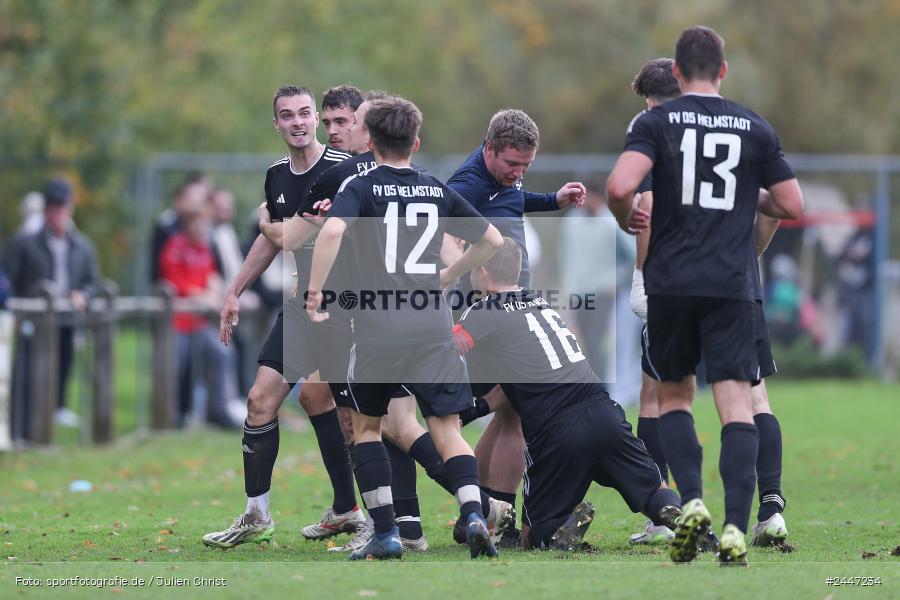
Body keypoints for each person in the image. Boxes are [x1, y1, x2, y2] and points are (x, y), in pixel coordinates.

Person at [258, 91, 514, 553]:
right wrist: (448, 276)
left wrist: (314, 290)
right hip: (431, 326)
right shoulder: (436, 187)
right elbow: (491, 239)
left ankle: (385, 533)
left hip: (378, 326)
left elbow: (331, 231)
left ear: (370, 140)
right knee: (446, 428)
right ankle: (474, 515)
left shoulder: (361, 185)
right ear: (417, 142)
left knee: (368, 427)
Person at [606, 26, 804, 565]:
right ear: (723, 71)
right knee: (738, 402)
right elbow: (790, 203)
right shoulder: (752, 126)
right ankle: (738, 526)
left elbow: (621, 187)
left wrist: (629, 220)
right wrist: (746, 190)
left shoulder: (655, 122)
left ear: (675, 72)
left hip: (671, 281)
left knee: (673, 397)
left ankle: (691, 502)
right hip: (732, 285)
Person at [202, 85, 359, 549]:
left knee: (347, 414)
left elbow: (285, 232)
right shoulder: (275, 176)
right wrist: (233, 290)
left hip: (343, 307)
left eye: (306, 113)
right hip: (301, 307)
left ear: (316, 118)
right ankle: (256, 514)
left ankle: (370, 516)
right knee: (259, 401)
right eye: (287, 115)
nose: (298, 122)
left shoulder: (344, 170)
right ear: (276, 124)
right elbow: (272, 240)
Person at [454, 238, 683, 550]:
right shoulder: (543, 305)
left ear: (481, 271)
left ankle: (561, 527)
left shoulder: (480, 312)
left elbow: (449, 350)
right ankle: (682, 518)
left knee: (532, 538)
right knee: (652, 489)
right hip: (603, 411)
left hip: (556, 432)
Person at [444, 109, 586, 540]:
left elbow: (511, 200)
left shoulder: (503, 175)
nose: (518, 172)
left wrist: (552, 201)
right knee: (517, 412)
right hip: (490, 304)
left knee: (507, 411)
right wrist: (457, 277)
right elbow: (441, 230)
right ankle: (499, 514)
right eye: (512, 165)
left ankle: (485, 506)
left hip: (510, 300)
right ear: (489, 150)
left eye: (526, 166)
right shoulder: (467, 184)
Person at [3, 178, 102, 431]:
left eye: (63, 207)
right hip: (32, 322)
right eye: (54, 208)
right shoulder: (24, 244)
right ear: (45, 210)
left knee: (59, 375)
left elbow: (93, 282)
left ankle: (47, 425)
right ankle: (20, 429)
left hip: (66, 320)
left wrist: (83, 295)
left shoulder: (82, 246)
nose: (58, 214)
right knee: (26, 376)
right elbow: (9, 280)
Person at [158, 200, 244, 428]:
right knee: (178, 368)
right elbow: (175, 283)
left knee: (222, 354)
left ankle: (219, 411)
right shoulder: (174, 247)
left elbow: (212, 276)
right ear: (188, 223)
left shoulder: (205, 247)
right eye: (199, 223)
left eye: (205, 223)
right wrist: (203, 295)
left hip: (199, 323)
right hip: (179, 323)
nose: (203, 228)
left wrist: (214, 289)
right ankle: (172, 417)